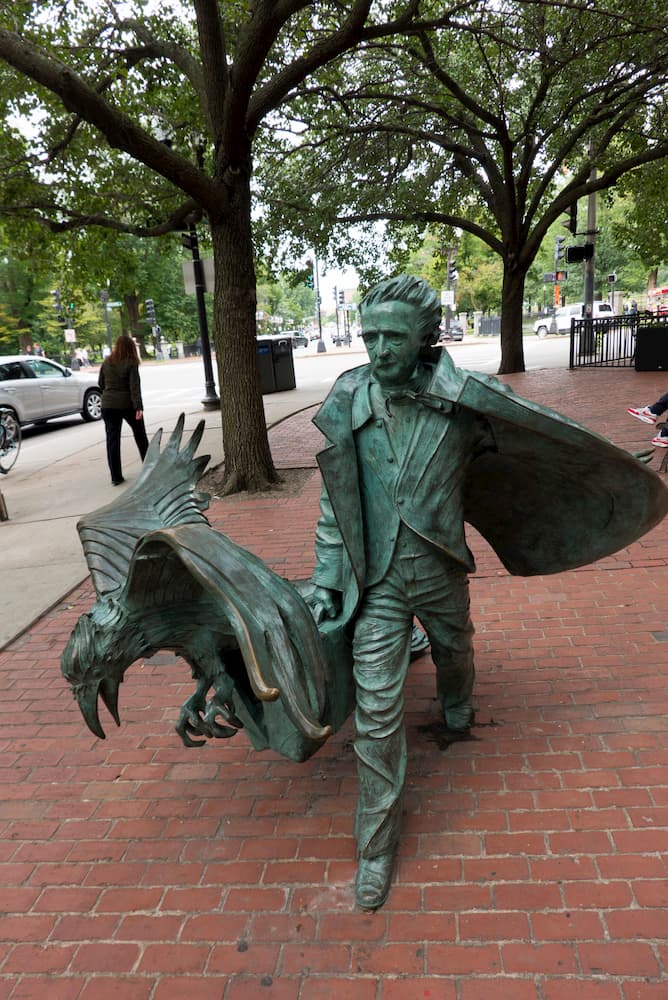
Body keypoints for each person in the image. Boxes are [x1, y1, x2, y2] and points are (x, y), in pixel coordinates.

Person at [306, 275, 496, 910]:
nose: (379, 349)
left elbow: (523, 458)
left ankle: (457, 702)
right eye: (370, 336)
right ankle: (375, 845)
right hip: (378, 580)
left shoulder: (467, 398)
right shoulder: (350, 399)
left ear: (426, 337)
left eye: (393, 336)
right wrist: (330, 579)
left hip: (439, 565)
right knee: (378, 712)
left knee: (455, 647)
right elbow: (337, 505)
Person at [99, 335, 149, 485]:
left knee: (112, 441)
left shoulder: (107, 361)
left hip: (108, 405)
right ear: (131, 348)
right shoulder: (131, 362)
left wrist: (109, 394)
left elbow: (100, 383)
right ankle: (149, 469)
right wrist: (138, 407)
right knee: (140, 436)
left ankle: (116, 477)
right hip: (127, 405)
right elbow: (135, 387)